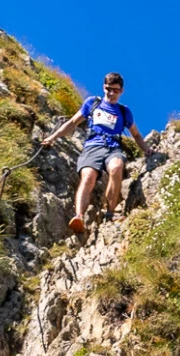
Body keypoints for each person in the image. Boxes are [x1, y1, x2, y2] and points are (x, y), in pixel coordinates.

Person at [42, 71, 147, 235]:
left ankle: (110, 213)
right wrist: (53, 137)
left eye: (116, 90)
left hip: (113, 147)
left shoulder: (124, 112)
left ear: (121, 92)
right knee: (88, 176)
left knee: (116, 167)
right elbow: (72, 123)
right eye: (109, 89)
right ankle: (79, 216)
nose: (111, 93)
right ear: (104, 87)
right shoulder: (92, 103)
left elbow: (136, 135)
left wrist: (147, 150)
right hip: (92, 146)